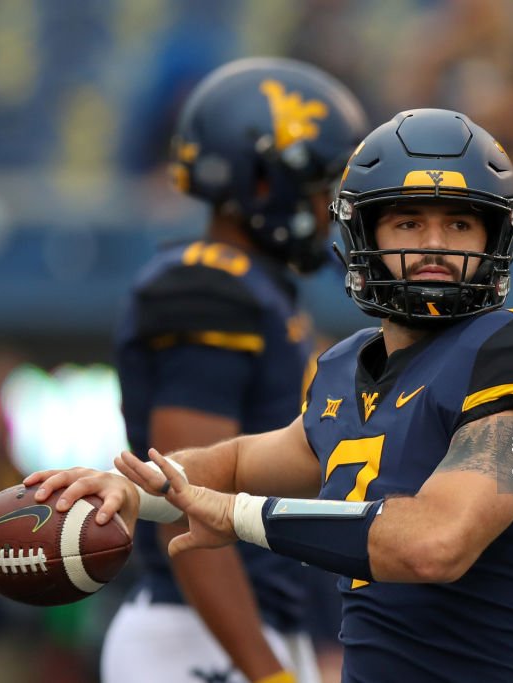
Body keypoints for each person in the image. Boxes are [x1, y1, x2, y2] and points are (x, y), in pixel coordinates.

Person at [28, 108, 513, 682]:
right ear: (363, 233)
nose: (435, 245)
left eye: (459, 224)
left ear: (495, 237)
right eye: (408, 223)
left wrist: (237, 517)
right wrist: (134, 491)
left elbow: (436, 543)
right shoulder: (345, 369)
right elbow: (232, 464)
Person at [105, 58, 367, 683]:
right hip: (199, 635)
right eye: (316, 186)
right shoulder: (209, 288)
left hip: (253, 628)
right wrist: (264, 671)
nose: (327, 207)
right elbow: (182, 501)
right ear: (260, 183)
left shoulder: (266, 297)